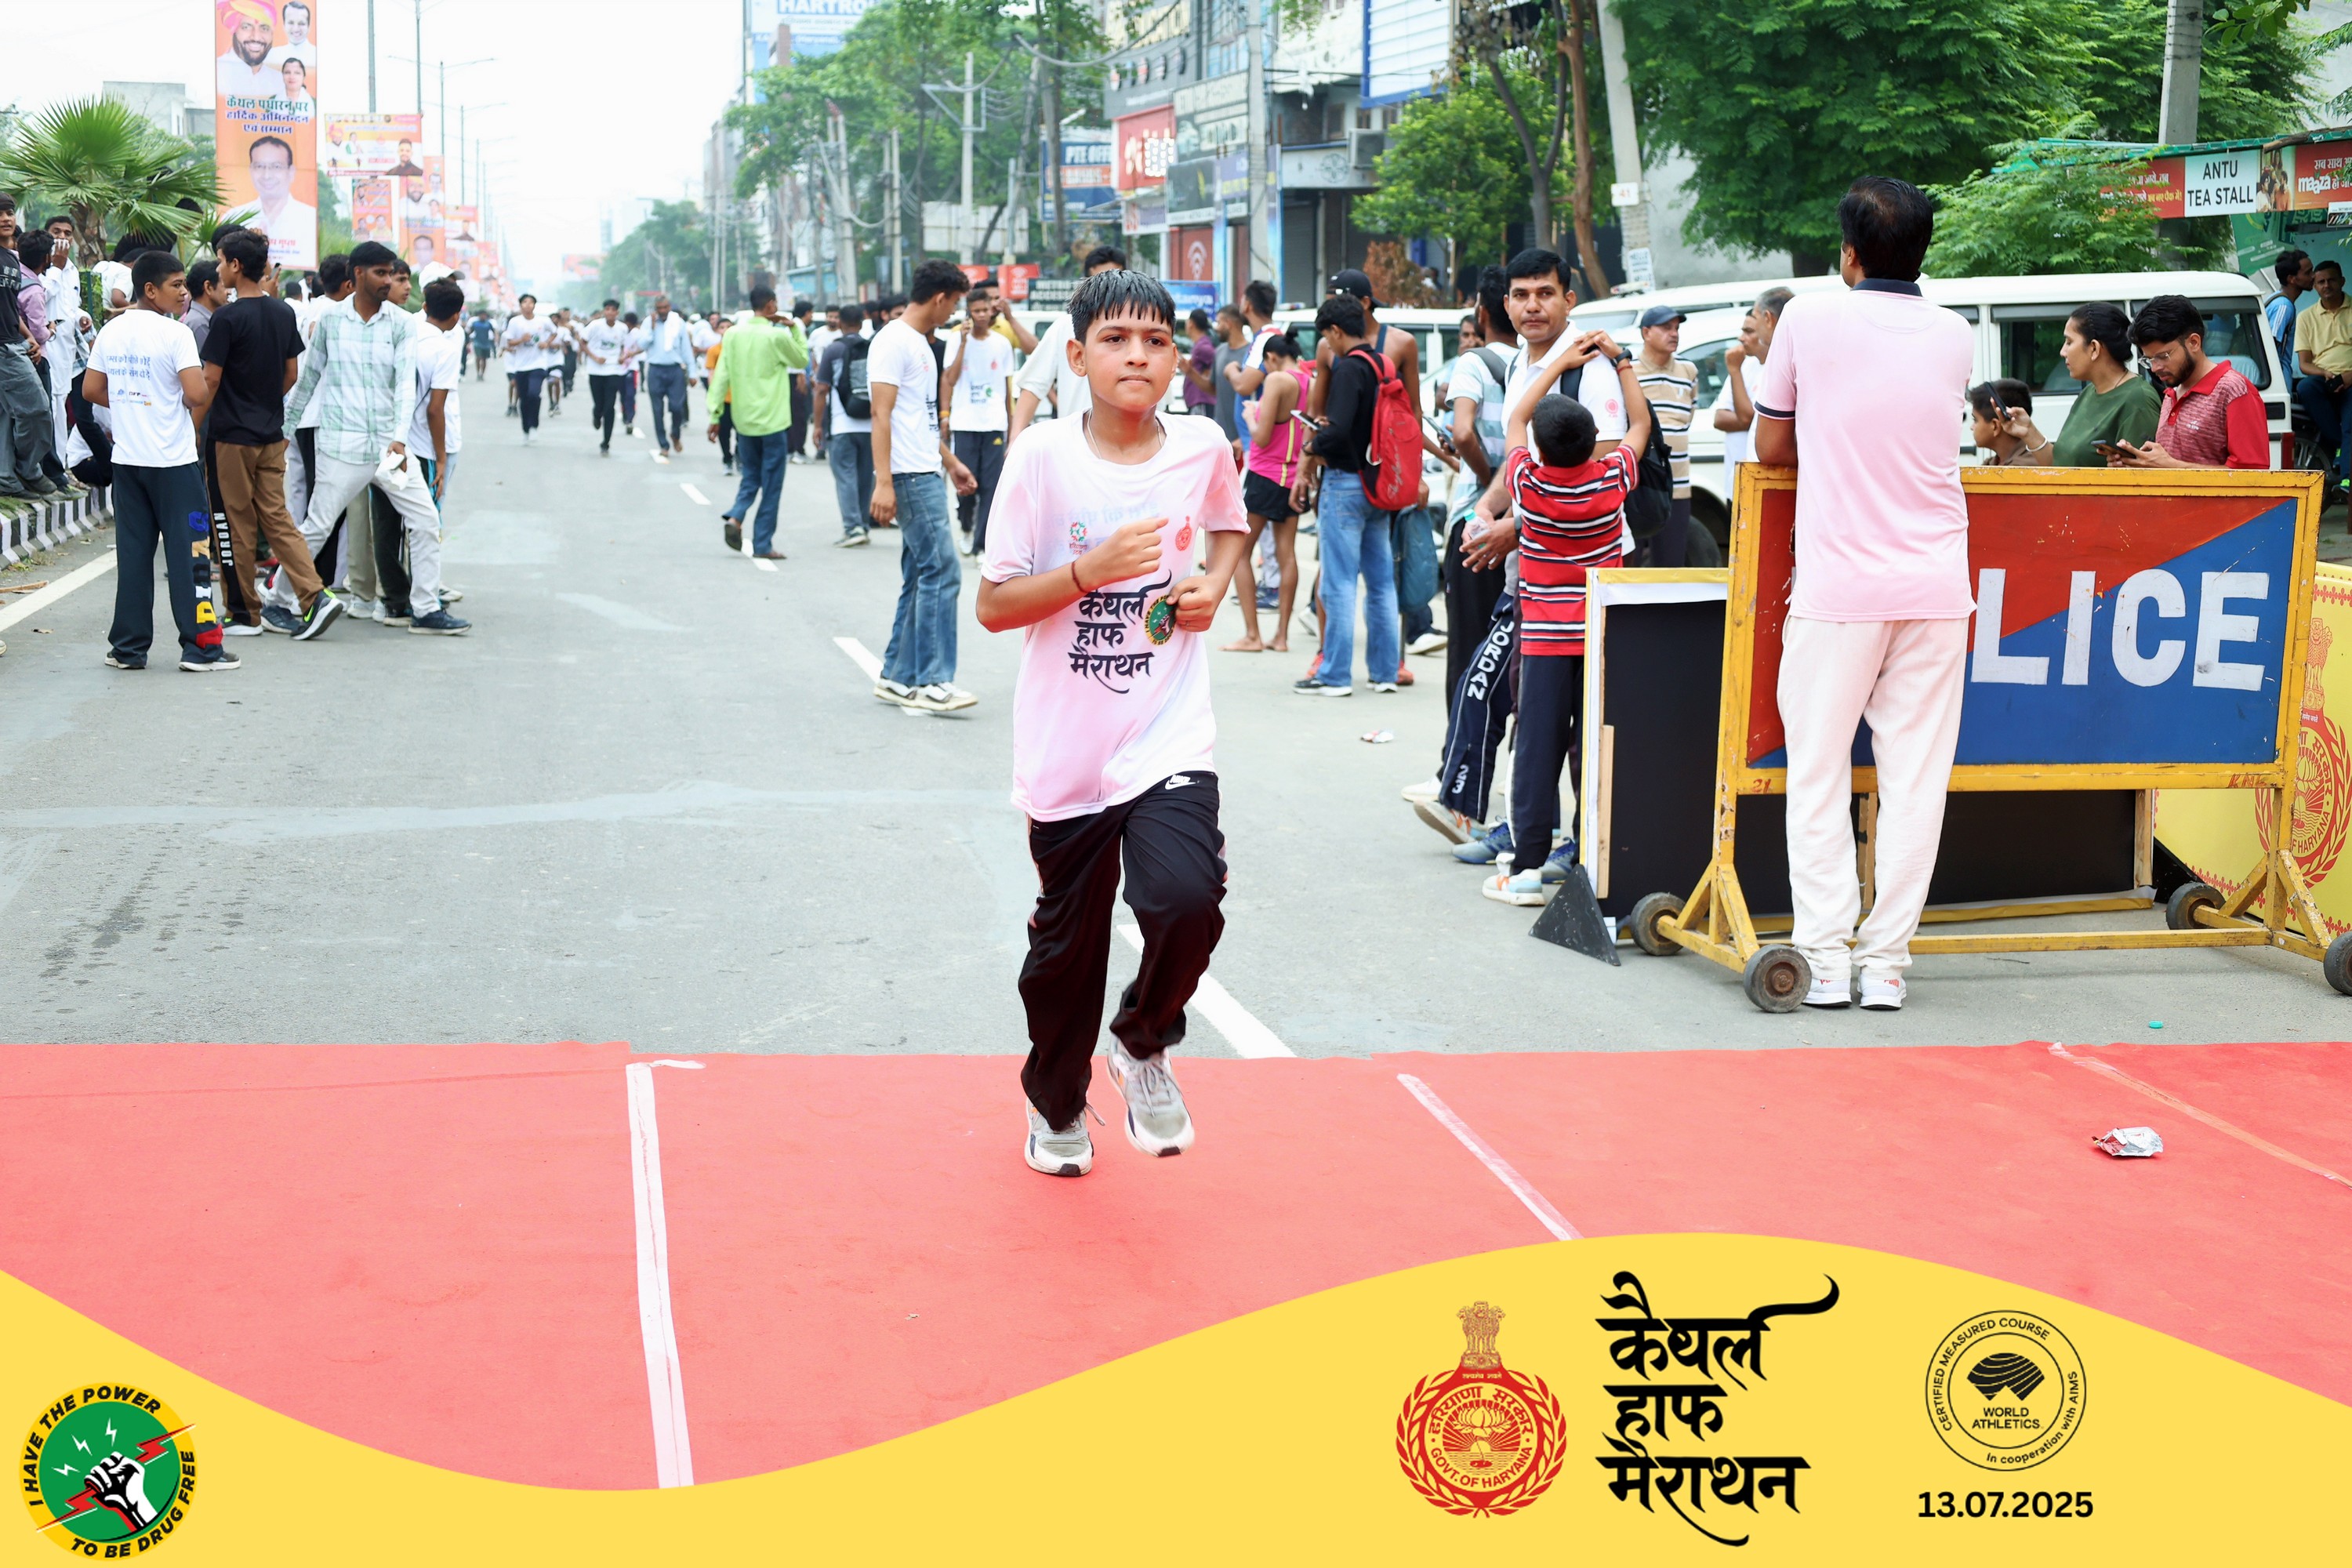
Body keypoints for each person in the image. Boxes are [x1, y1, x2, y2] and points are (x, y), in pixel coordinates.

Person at [972, 267, 1250, 1178]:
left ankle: (1141, 1040)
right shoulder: (1042, 457)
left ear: (1177, 355)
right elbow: (994, 605)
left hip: (1168, 733)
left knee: (1187, 898)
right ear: (1078, 354)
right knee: (1067, 952)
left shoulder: (1202, 445)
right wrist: (1089, 572)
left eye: (1156, 340)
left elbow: (1229, 526)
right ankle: (1056, 1101)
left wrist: (1213, 584)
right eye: (1116, 340)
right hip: (1068, 752)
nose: (1138, 356)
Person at [1750, 176, 1976, 1012]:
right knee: (1916, 780)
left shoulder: (1809, 317)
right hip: (1937, 583)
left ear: (1848, 253)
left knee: (1817, 773)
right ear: (1923, 250)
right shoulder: (1955, 334)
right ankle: (1886, 964)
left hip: (1841, 585)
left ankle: (1825, 956)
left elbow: (1772, 445)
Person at [1475, 331, 1650, 906]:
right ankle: (1591, 858)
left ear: (1541, 449)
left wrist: (1552, 367)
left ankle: (1527, 869)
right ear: (1594, 444)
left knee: (1535, 752)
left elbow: (1516, 418)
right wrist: (1622, 362)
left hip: (1546, 643)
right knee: (1595, 750)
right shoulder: (1611, 481)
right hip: (1601, 639)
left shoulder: (1528, 483)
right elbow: (1640, 426)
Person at [278, 240, 468, 634]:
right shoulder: (331, 320)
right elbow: (309, 379)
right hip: (341, 447)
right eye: (380, 273)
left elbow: (404, 387)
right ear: (358, 274)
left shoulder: (401, 323)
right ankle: (277, 600)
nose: (387, 281)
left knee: (425, 521)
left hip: (388, 450)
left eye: (390, 273)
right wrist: (285, 432)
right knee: (317, 527)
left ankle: (425, 609)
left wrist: (399, 437)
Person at [85, 250, 238, 671]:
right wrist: (163, 402)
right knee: (192, 555)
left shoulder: (112, 330)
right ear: (150, 289)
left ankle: (128, 649)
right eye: (176, 284)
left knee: (134, 557)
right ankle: (202, 649)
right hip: (174, 463)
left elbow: (92, 390)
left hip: (128, 462)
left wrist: (132, 404)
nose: (184, 292)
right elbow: (197, 394)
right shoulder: (176, 333)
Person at [201, 227, 332, 637]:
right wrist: (262, 402)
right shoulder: (282, 312)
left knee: (232, 523)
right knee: (278, 519)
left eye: (221, 262)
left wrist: (192, 426)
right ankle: (315, 596)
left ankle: (243, 613)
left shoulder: (226, 318)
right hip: (271, 434)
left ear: (236, 265)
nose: (218, 270)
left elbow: (210, 380)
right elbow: (291, 374)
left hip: (230, 437)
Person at [870, 260, 981, 710]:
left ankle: (897, 677)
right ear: (939, 298)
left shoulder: (918, 342)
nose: (953, 312)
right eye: (953, 303)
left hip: (925, 468)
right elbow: (881, 415)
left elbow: (919, 418)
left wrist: (950, 462)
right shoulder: (893, 341)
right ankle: (935, 681)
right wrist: (883, 482)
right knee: (943, 571)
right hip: (909, 475)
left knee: (921, 574)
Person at [1292, 292, 1399, 696]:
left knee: (1338, 583)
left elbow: (1337, 432)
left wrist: (1311, 445)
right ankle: (1385, 673)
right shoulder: (1382, 364)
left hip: (1345, 483)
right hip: (1378, 483)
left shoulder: (1349, 368)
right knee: (1381, 583)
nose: (1328, 345)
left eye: (1327, 337)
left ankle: (1335, 674)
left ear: (1336, 331)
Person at [1222, 329, 1312, 652]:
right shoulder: (1309, 380)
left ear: (1271, 358)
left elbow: (1260, 437)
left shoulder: (1277, 380)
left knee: (1239, 553)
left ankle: (1252, 635)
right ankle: (1281, 636)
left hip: (1265, 475)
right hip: (1293, 476)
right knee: (1287, 555)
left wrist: (1250, 416)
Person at [709, 285, 808, 559]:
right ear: (772, 305)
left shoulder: (732, 334)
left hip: (744, 421)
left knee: (751, 476)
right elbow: (801, 359)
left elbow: (721, 376)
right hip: (773, 423)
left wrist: (715, 414)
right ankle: (762, 544)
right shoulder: (776, 336)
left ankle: (736, 516)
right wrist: (794, 328)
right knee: (772, 485)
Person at [2114, 295, 2270, 470]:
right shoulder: (2172, 391)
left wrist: (2172, 467)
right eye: (2149, 360)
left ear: (2194, 342)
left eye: (2163, 356)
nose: (2155, 368)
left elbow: (2253, 475)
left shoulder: (2233, 391)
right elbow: (2170, 467)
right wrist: (2137, 465)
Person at [1008, 245, 1127, 441]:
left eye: (1113, 280)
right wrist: (1015, 440)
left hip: (1130, 444)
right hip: (1076, 443)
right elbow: (1033, 385)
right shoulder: (1065, 327)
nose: (1106, 289)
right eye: (1098, 281)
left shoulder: (1139, 329)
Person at [946, 285, 1018, 554]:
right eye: (976, 311)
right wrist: (964, 343)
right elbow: (950, 379)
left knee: (991, 487)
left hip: (994, 424)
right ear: (969, 312)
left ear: (991, 310)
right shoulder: (956, 339)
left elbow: (1008, 388)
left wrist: (1012, 426)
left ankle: (981, 545)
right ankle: (966, 527)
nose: (981, 315)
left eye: (985, 310)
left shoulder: (1002, 343)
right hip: (965, 423)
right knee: (967, 483)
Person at [0, 197, 63, 499]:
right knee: (37, 409)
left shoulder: (12, 261)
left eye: (9, 213)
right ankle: (28, 469)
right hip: (4, 349)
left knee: (8, 416)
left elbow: (11, 308)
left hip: (14, 342)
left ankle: (7, 478)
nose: (5, 218)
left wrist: (30, 338)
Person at [2049, 302, 2161, 467]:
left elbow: (2143, 476)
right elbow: (2061, 466)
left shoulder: (2138, 400)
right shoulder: (2088, 393)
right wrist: (2028, 432)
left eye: (2069, 342)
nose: (2063, 352)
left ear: (2094, 348)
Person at [1632, 303, 1698, 566]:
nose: (1674, 334)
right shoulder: (1628, 370)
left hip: (1678, 485)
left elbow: (1688, 416)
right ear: (1646, 333)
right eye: (1666, 328)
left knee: (1672, 563)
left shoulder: (1688, 370)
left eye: (1676, 328)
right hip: (1637, 485)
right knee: (1630, 563)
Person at [814, 303, 875, 546]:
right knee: (865, 478)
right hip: (870, 424)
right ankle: (864, 524)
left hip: (842, 425)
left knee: (845, 477)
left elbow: (822, 389)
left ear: (840, 323)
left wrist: (818, 425)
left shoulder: (834, 349)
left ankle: (853, 528)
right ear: (861, 323)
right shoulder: (872, 348)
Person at [1712, 287, 1794, 465]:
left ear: (1768, 319)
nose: (1742, 338)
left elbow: (1748, 418)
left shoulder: (1788, 362)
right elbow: (1719, 419)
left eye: (1754, 322)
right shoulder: (1753, 364)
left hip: (1773, 470)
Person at [2295, 260, 2352, 488]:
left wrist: (2349, 376)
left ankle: (2346, 481)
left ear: (2342, 281)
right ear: (2315, 286)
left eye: (2331, 280)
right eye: (2321, 282)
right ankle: (2341, 446)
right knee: (2305, 387)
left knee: (2351, 422)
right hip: (2324, 379)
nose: (2326, 285)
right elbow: (2304, 364)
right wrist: (2325, 373)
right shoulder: (2306, 317)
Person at [234, 137, 318, 271]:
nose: (267, 175)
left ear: (291, 172)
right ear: (251, 170)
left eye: (276, 167)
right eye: (259, 166)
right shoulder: (235, 216)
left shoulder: (309, 218)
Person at [641, 296, 694, 455]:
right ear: (655, 309)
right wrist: (651, 329)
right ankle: (663, 445)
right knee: (657, 411)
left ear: (669, 307)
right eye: (659, 308)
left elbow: (686, 349)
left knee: (677, 407)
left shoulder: (678, 323)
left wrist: (693, 373)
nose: (662, 311)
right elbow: (642, 344)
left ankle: (675, 434)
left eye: (665, 307)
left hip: (675, 370)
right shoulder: (648, 322)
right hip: (655, 371)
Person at [501, 294, 555, 443]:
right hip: (521, 366)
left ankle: (534, 426)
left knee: (534, 394)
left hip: (539, 364)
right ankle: (526, 428)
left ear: (534, 305)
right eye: (525, 302)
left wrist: (547, 343)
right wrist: (521, 340)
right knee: (524, 399)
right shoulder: (515, 322)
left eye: (531, 302)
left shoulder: (543, 321)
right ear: (520, 306)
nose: (528, 305)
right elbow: (509, 342)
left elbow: (554, 331)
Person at [583, 298, 633, 453]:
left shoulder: (622, 328)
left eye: (613, 310)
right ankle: (596, 415)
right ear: (604, 311)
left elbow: (625, 347)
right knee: (599, 404)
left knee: (610, 406)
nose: (610, 313)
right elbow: (583, 342)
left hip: (613, 370)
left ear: (617, 312)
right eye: (607, 310)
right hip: (596, 370)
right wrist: (594, 357)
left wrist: (623, 357)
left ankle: (606, 442)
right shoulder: (595, 326)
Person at [1967, 379, 2051, 466]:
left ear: (1995, 426)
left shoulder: (2023, 468)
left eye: (1975, 420)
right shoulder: (1994, 462)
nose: (1972, 427)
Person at [216, 0, 278, 100]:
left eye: (264, 28)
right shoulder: (217, 73)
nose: (256, 37)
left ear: (272, 34)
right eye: (246, 27)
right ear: (234, 30)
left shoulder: (280, 81)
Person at [2267, 248, 2314, 372]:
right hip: (2279, 376)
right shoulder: (2283, 307)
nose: (2313, 276)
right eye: (2308, 273)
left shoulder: (2276, 299)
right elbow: (2270, 347)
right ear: (2291, 279)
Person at [1181, 307, 1218, 417]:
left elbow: (1217, 359)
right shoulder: (1200, 344)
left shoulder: (1202, 347)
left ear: (1191, 324)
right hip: (1199, 401)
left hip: (1202, 401)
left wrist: (1210, 372)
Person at [183, 260, 224, 354]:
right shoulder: (200, 324)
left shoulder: (204, 319)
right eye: (223, 285)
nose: (228, 292)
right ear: (208, 287)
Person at [467, 310, 495, 379]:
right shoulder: (475, 323)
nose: (483, 316)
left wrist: (495, 339)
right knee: (478, 358)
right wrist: (468, 341)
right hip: (477, 343)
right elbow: (470, 332)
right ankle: (478, 373)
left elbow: (494, 332)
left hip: (486, 344)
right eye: (482, 315)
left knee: (484, 359)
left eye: (484, 315)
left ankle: (482, 374)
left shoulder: (488, 324)